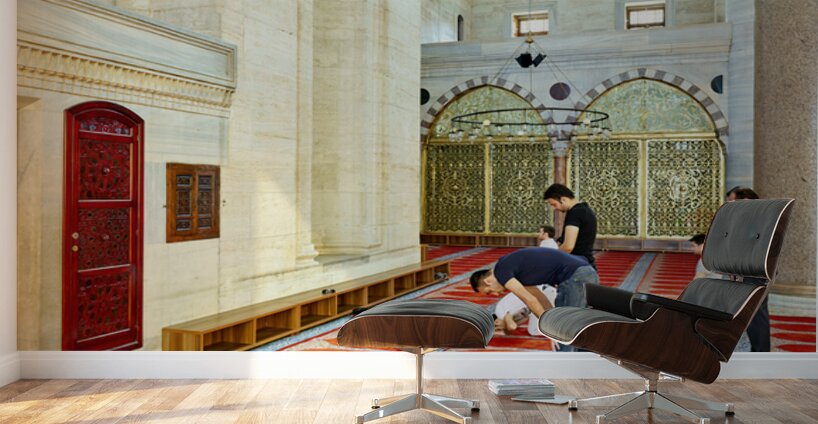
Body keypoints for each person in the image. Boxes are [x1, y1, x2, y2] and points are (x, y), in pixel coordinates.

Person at [470, 247, 599, 351]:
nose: (495, 294)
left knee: (564, 331)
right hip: (586, 273)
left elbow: (530, 300)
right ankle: (584, 370)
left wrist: (551, 329)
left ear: (488, 281)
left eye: (490, 291)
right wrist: (552, 321)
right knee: (579, 328)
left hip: (574, 277)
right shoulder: (513, 270)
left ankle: (563, 375)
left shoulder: (501, 272)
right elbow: (539, 298)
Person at [725, 186, 769, 352]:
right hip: (747, 270)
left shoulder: (757, 219)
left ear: (745, 201)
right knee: (753, 313)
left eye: (732, 201)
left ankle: (761, 353)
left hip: (754, 270)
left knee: (757, 314)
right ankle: (759, 351)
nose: (731, 205)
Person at [543, 183, 598, 268]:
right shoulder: (584, 210)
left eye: (554, 204)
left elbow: (568, 247)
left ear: (563, 199)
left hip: (578, 267)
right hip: (584, 264)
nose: (554, 208)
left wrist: (551, 258)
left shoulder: (576, 212)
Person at [492, 284, 557, 336]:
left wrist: (506, 327)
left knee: (533, 330)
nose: (500, 329)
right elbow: (526, 316)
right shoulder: (503, 312)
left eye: (497, 328)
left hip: (545, 294)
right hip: (546, 292)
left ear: (496, 322)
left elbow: (512, 327)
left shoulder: (500, 313)